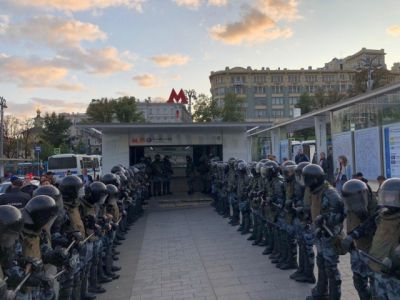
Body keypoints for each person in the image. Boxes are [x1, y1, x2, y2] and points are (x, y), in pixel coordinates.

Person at [303, 164, 346, 300]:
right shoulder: (315, 191)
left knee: (331, 268)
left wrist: (326, 218)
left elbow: (341, 214)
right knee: (321, 262)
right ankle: (322, 291)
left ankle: (334, 296)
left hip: (330, 235)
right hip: (320, 235)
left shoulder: (330, 193)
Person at [340, 179, 378, 300]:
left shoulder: (375, 206)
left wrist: (354, 234)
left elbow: (371, 223)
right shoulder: (349, 203)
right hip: (356, 248)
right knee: (358, 282)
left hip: (372, 250)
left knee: (375, 285)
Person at [0, 205, 24, 300]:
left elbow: (10, 266)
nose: (16, 238)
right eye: (12, 234)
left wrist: (27, 262)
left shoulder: (5, 247)